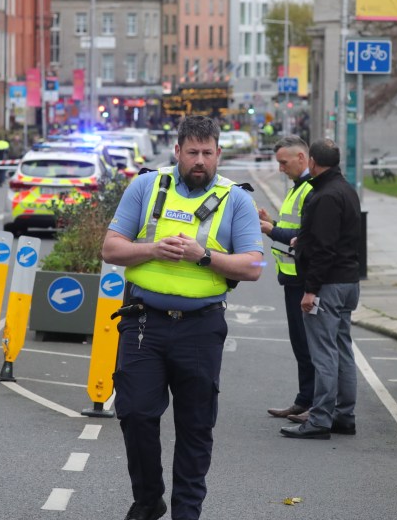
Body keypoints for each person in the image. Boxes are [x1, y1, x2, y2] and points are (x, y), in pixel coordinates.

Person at [101, 115, 263, 520]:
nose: (200, 161)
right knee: (135, 413)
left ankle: (186, 511)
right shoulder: (147, 186)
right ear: (177, 151)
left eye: (208, 153)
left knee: (195, 427)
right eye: (192, 152)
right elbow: (111, 249)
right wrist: (153, 249)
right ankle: (148, 498)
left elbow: (252, 266)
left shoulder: (236, 199)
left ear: (218, 154)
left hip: (201, 327)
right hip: (144, 321)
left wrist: (203, 256)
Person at [279, 139, 361, 440]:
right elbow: (338, 236)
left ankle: (320, 419)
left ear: (312, 161)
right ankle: (344, 414)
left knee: (324, 353)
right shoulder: (346, 190)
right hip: (348, 280)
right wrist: (306, 240)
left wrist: (311, 290)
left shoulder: (324, 195)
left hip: (328, 284)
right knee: (342, 349)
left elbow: (325, 249)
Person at [258, 135, 316, 421]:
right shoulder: (298, 189)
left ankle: (313, 404)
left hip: (304, 280)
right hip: (292, 278)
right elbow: (293, 228)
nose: (280, 168)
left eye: (284, 162)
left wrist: (270, 230)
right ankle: (304, 400)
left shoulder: (310, 191)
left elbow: (304, 237)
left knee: (309, 347)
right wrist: (275, 223)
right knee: (300, 345)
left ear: (302, 159)